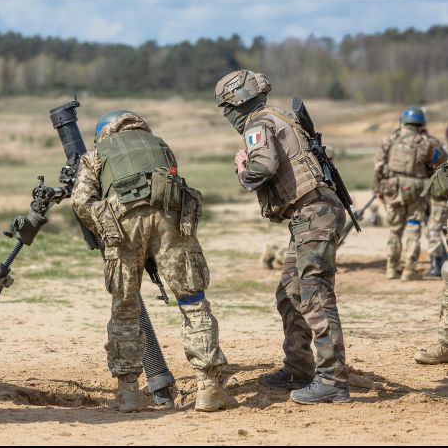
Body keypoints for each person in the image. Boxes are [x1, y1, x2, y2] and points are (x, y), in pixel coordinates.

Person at [70, 109, 237, 412]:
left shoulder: (96, 154)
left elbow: (81, 201)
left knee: (125, 308)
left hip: (122, 225)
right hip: (170, 221)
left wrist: (104, 227)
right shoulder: (159, 143)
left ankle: (128, 393)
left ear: (104, 133)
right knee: (192, 301)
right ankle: (209, 387)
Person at [214, 69, 351, 404]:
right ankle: (298, 367)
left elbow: (262, 169)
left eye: (225, 107)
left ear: (236, 102)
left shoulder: (257, 125)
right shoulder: (281, 117)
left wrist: (242, 168)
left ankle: (332, 380)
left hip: (312, 213)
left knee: (314, 293)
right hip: (313, 212)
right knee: (289, 291)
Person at [373, 107, 447, 280]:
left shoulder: (390, 139)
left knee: (395, 229)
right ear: (421, 123)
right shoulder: (426, 141)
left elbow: (378, 167)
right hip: (416, 189)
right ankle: (409, 269)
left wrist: (378, 189)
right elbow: (442, 160)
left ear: (403, 121)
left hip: (391, 187)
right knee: (413, 226)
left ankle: (391, 267)